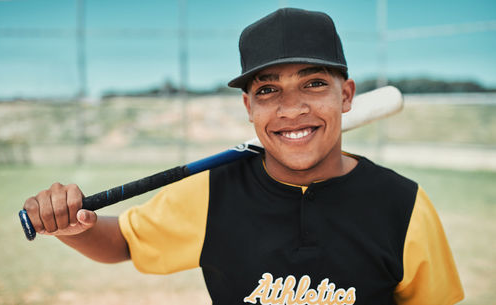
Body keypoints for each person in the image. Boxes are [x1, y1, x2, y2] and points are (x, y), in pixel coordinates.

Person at [23, 8, 464, 305]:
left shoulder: (404, 205)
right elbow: (122, 243)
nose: (291, 109)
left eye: (313, 83)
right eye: (268, 90)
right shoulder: (213, 192)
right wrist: (70, 225)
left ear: (345, 95)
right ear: (249, 107)